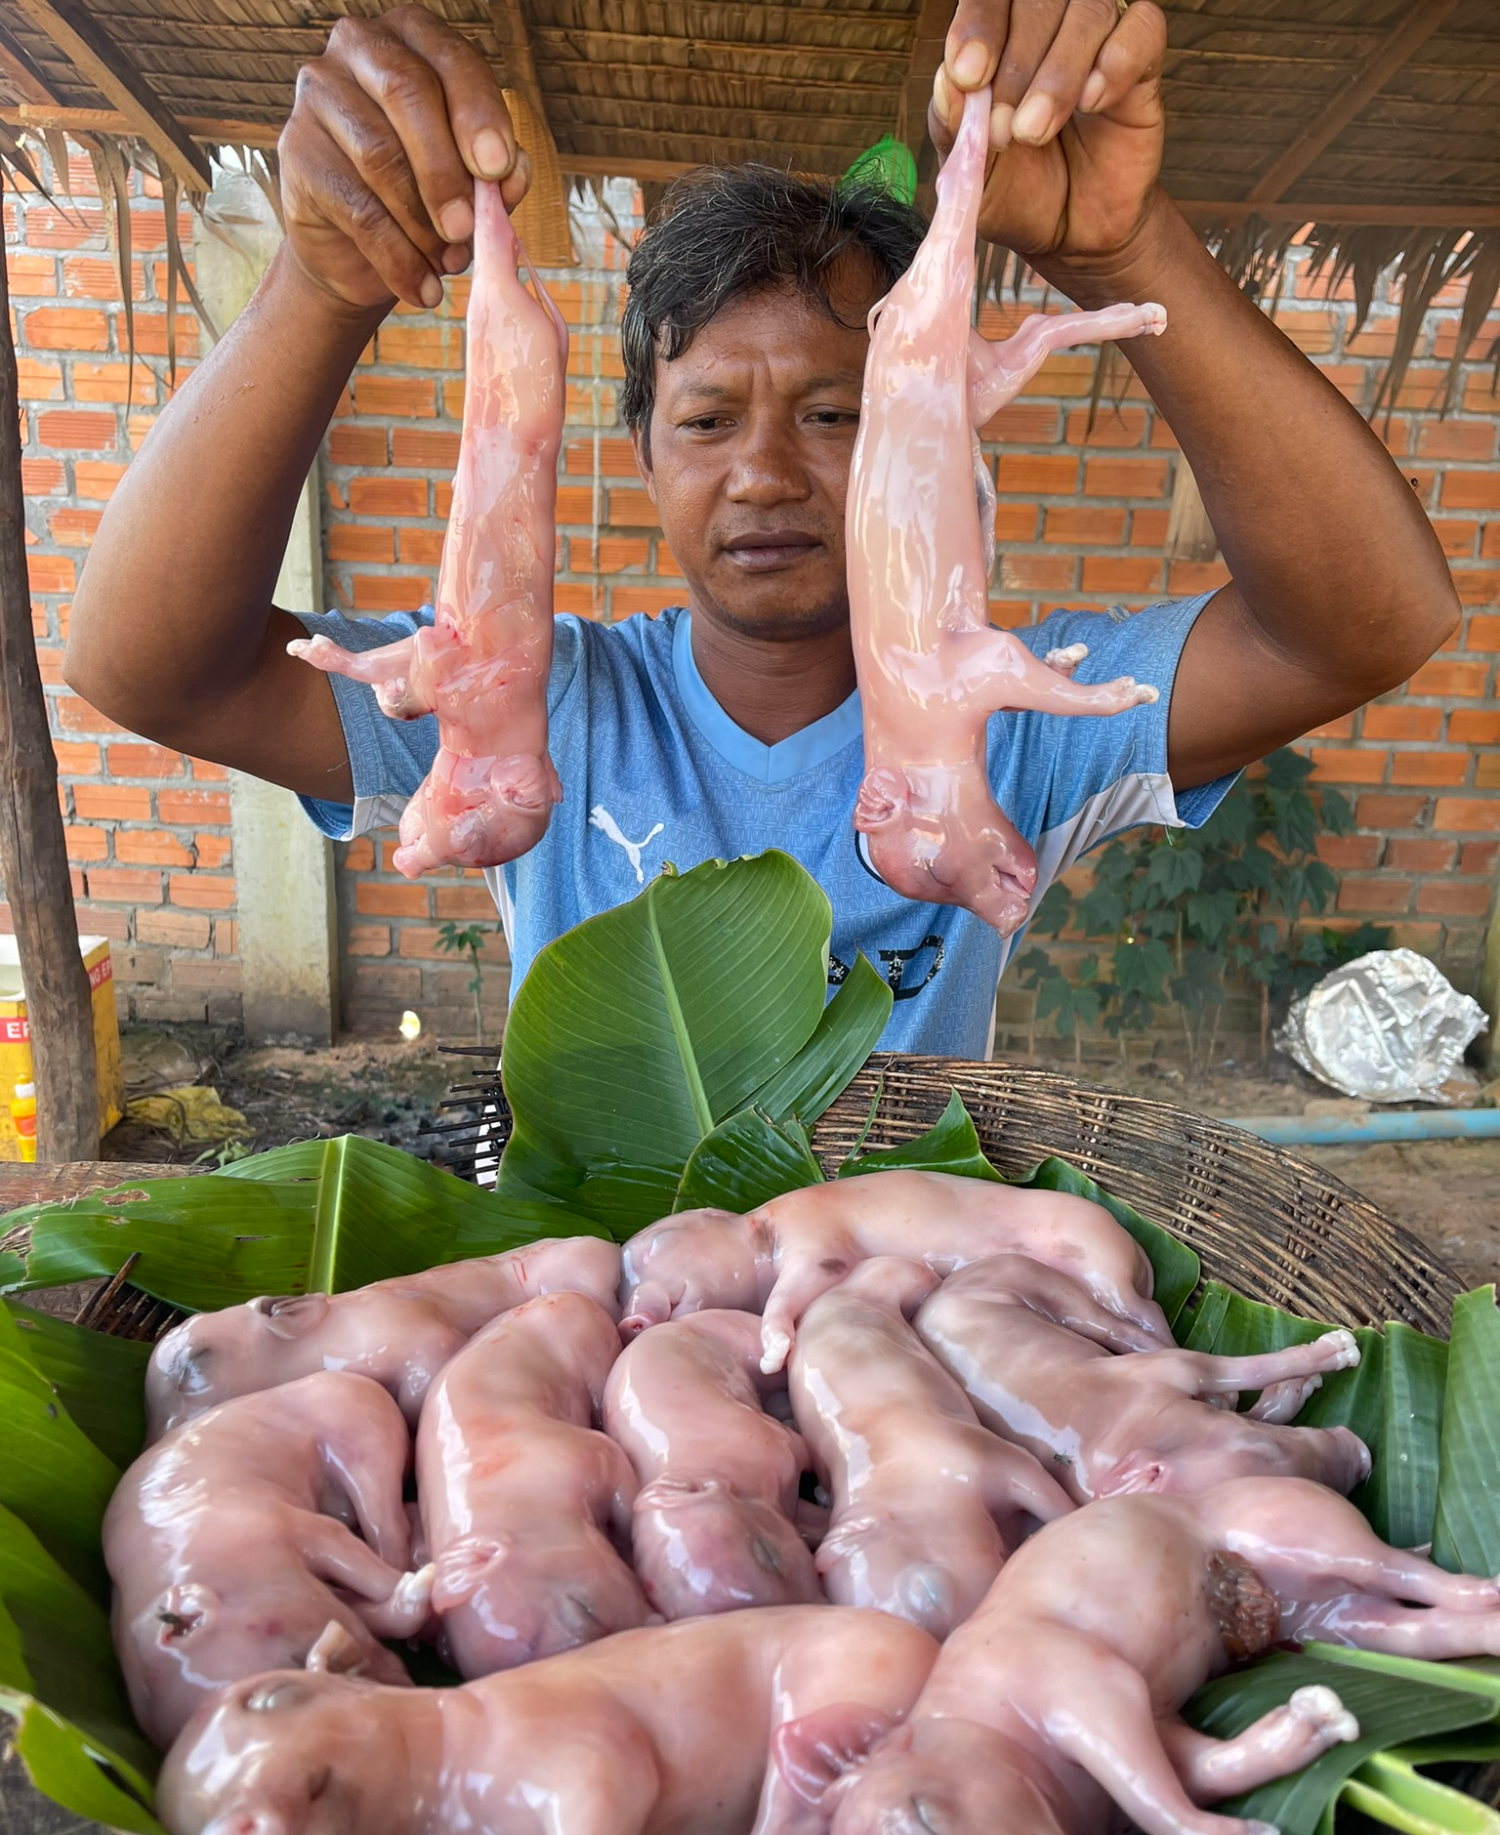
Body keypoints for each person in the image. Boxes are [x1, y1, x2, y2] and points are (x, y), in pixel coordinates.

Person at [64, 1, 1459, 1059]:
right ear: (636, 457)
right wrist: (317, 284)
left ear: (929, 441)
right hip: (610, 1328)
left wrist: (1126, 251)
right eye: (709, 419)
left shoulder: (1008, 729)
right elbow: (151, 670)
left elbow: (1365, 626)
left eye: (838, 417)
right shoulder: (540, 709)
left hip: (900, 1318)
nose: (767, 473)